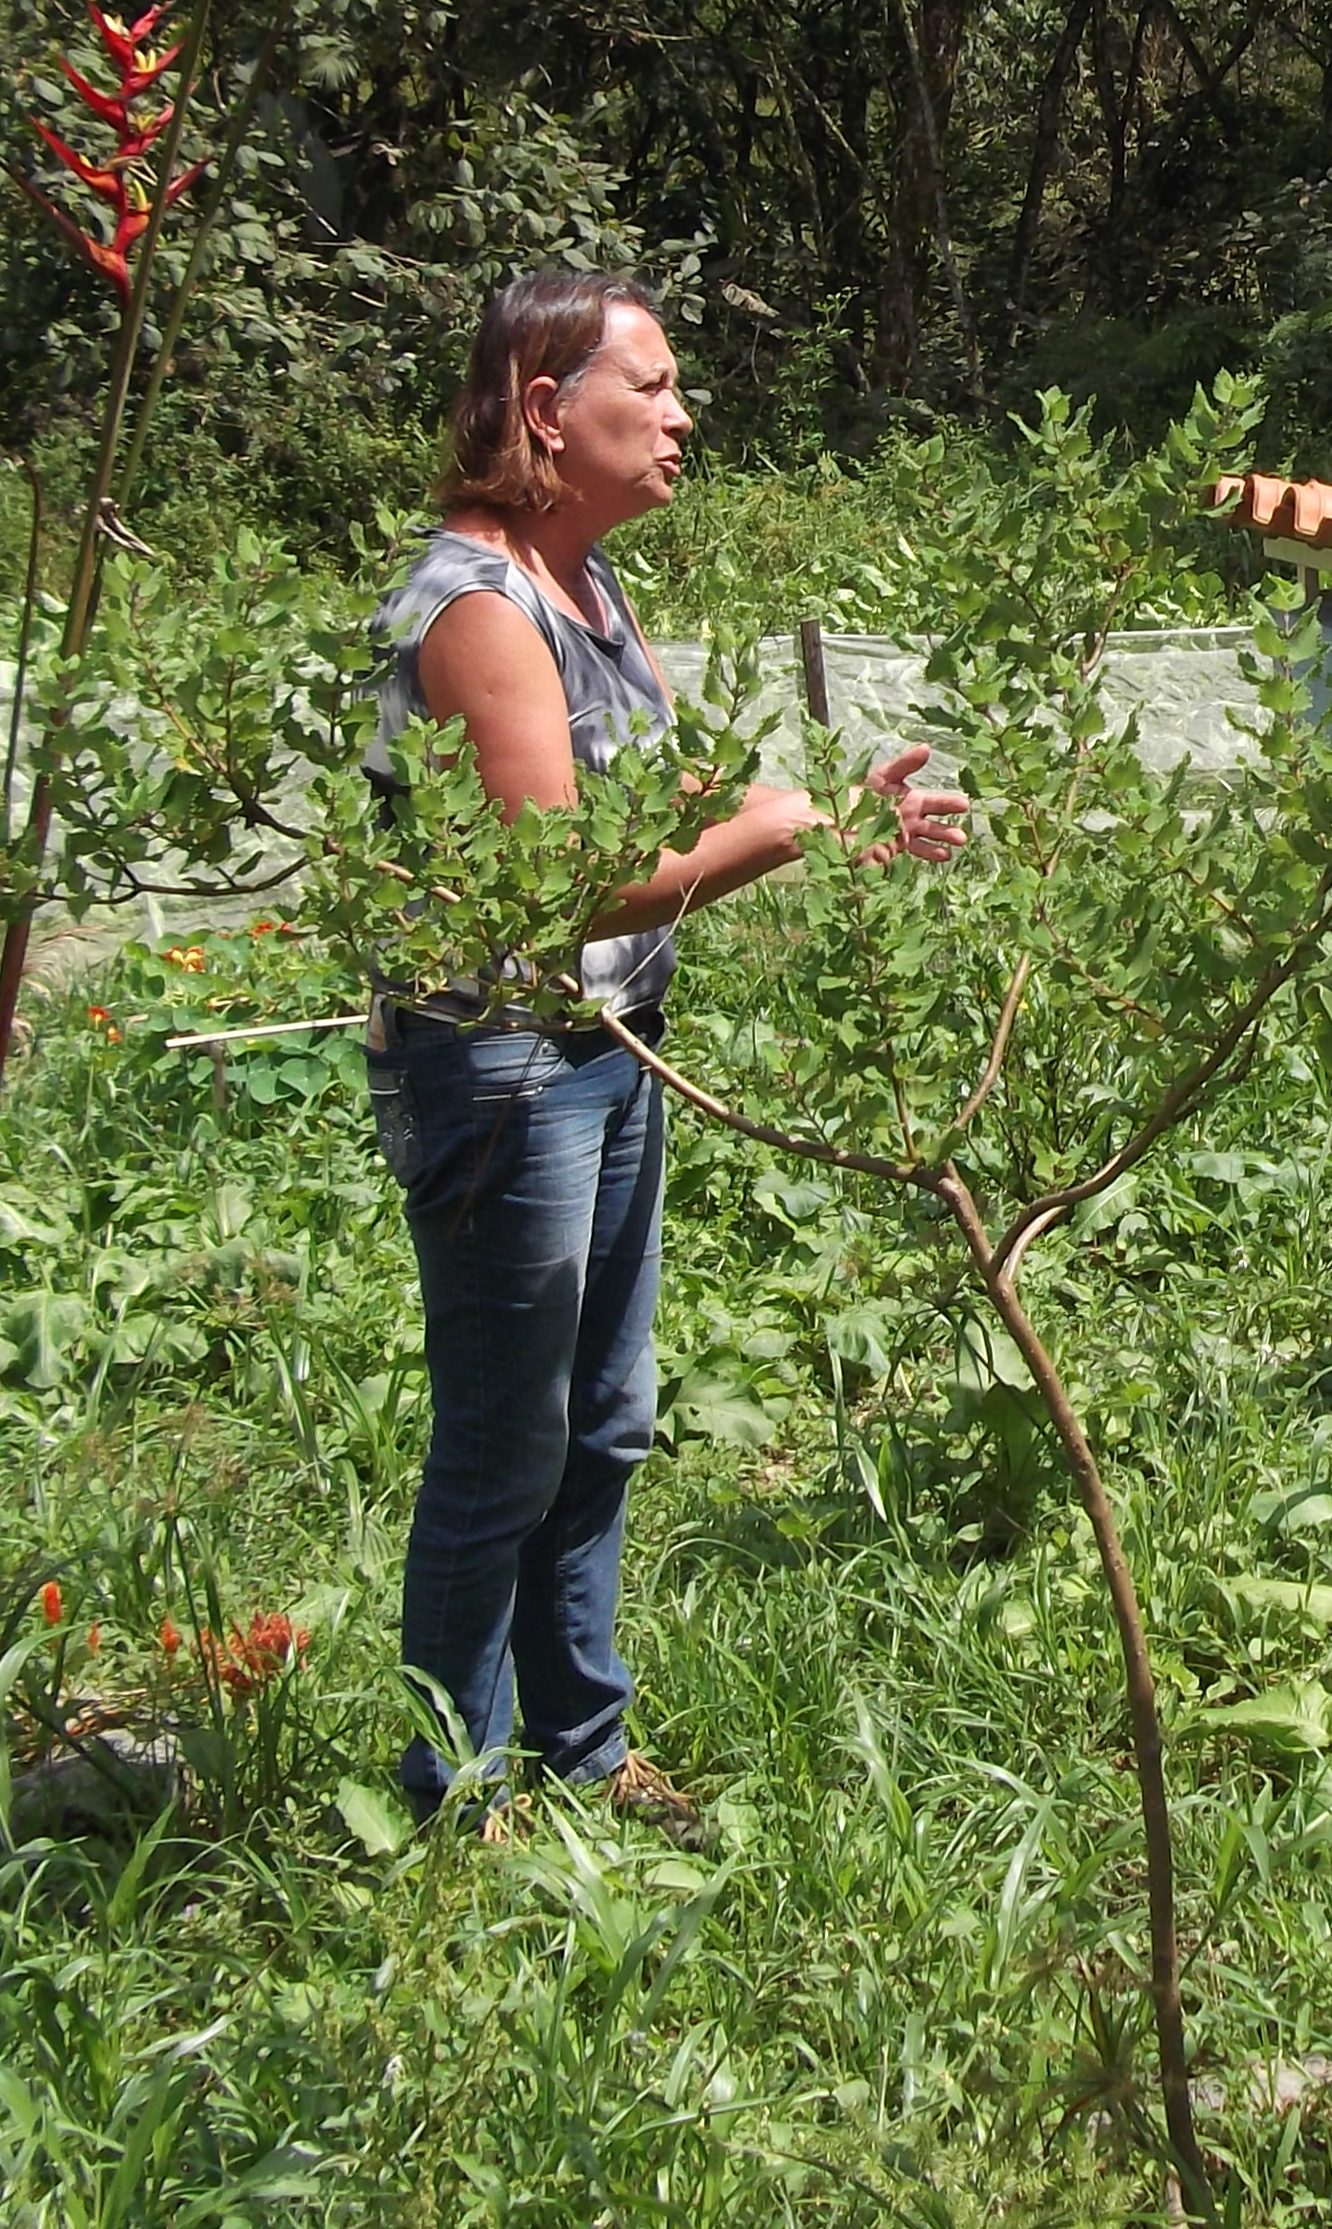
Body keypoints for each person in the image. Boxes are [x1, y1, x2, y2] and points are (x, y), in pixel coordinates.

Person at [363, 269, 967, 1832]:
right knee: (506, 1441)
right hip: (503, 1062)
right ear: (548, 411)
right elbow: (558, 887)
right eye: (657, 384)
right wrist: (760, 843)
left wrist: (834, 821)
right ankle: (457, 1798)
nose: (686, 415)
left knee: (604, 1418)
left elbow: (649, 831)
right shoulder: (481, 610)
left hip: (609, 1046)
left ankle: (577, 1749)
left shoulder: (581, 584)